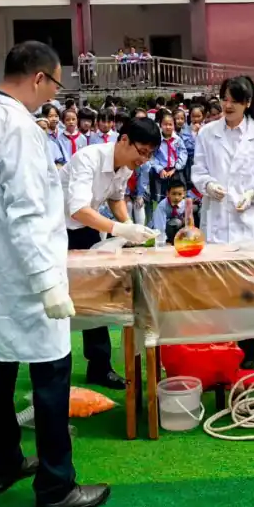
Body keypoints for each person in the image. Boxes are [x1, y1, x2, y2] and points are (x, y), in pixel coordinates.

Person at [0, 41, 110, 507]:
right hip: (30, 272)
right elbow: (27, 212)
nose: (54, 95)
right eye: (55, 84)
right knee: (50, 375)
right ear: (39, 77)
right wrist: (46, 281)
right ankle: (57, 488)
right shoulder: (18, 128)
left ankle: (2, 464)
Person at [59, 116, 161, 388]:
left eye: (149, 155)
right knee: (60, 298)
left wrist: (129, 226)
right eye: (142, 152)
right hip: (57, 232)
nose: (144, 160)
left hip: (88, 228)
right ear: (124, 140)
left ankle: (99, 366)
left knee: (97, 296)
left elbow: (116, 198)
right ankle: (52, 370)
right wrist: (120, 229)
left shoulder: (125, 166)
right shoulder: (87, 159)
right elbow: (78, 209)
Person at [192, 76, 254, 370]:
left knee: (248, 287)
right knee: (219, 285)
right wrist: (208, 186)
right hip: (217, 217)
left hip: (249, 219)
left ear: (247, 103)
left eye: (234, 100)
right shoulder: (207, 133)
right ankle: (222, 346)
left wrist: (253, 193)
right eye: (224, 99)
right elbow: (198, 170)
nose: (227, 105)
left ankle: (248, 347)